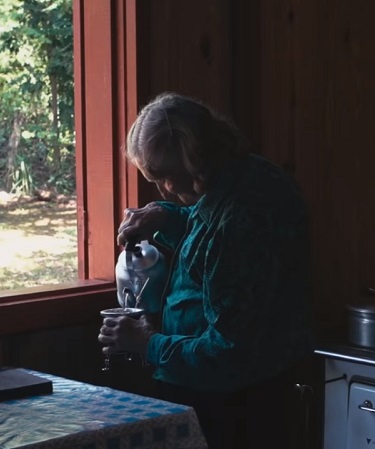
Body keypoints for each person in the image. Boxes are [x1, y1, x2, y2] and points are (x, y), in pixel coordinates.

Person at [98, 92, 314, 449]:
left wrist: (146, 343)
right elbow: (212, 240)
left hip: (235, 408)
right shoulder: (247, 174)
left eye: (165, 177)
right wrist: (166, 215)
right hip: (252, 388)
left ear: (193, 158)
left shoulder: (239, 223)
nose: (163, 188)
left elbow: (228, 353)